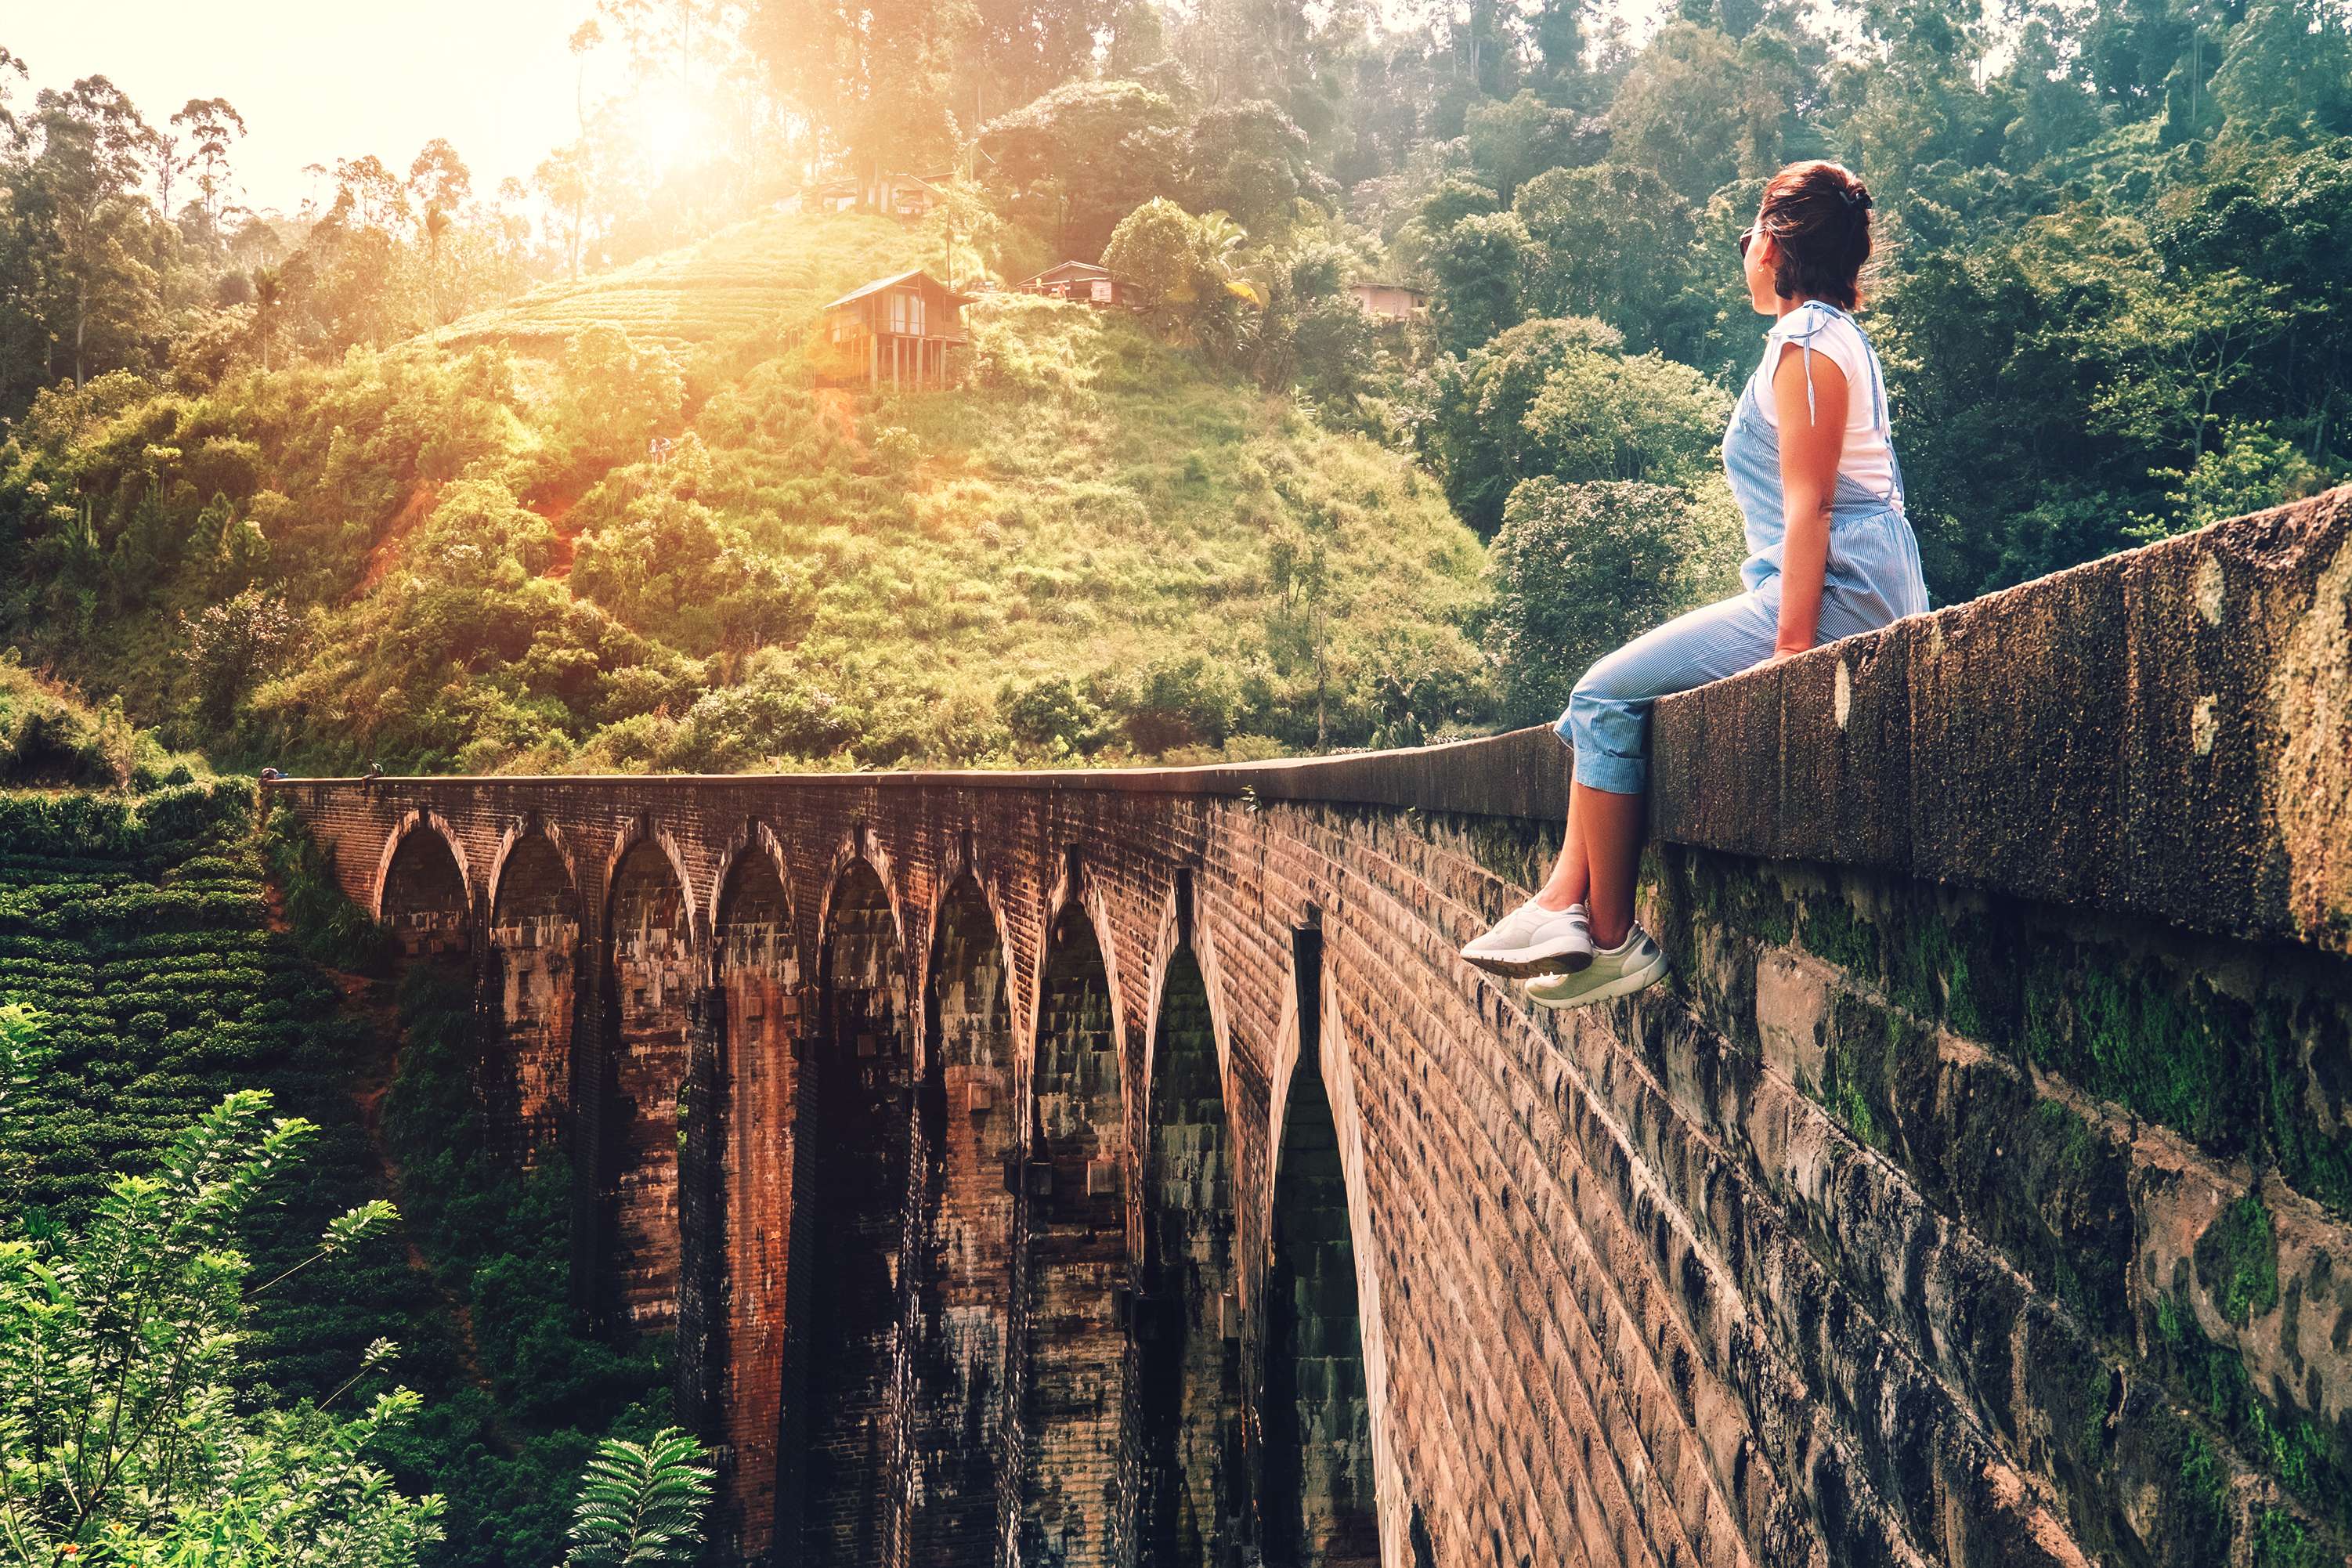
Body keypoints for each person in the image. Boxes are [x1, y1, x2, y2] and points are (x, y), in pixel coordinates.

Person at [1460, 159, 1928, 1010]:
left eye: (1753, 228)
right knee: (1606, 699)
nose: (1744, 246)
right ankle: (1562, 901)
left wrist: (1789, 655)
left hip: (1836, 593)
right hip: (1846, 579)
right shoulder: (1825, 337)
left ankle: (1610, 939)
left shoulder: (1807, 344)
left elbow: (1813, 507)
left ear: (1778, 243)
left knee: (1603, 693)